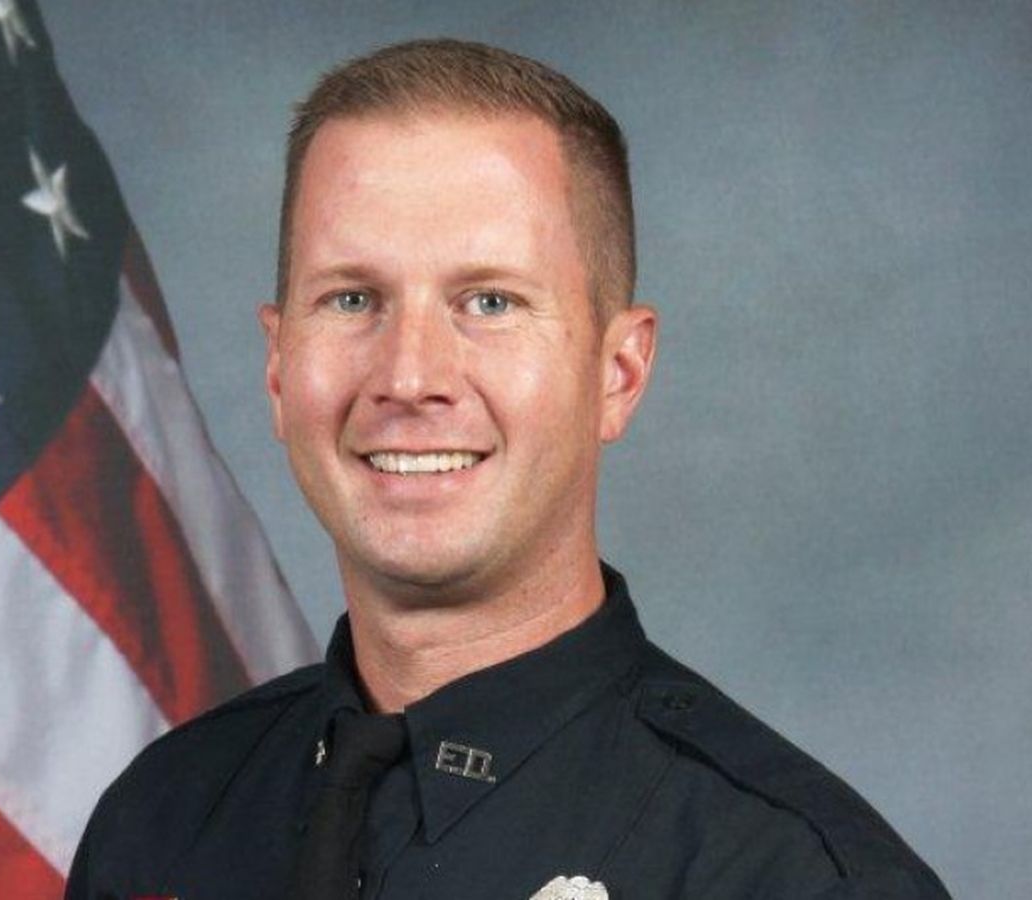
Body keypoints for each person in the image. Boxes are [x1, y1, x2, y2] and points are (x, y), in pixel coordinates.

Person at [65, 39, 949, 899]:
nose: (409, 376)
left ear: (618, 374)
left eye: (490, 301)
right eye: (352, 299)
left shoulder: (794, 877)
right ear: (277, 366)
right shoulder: (161, 825)